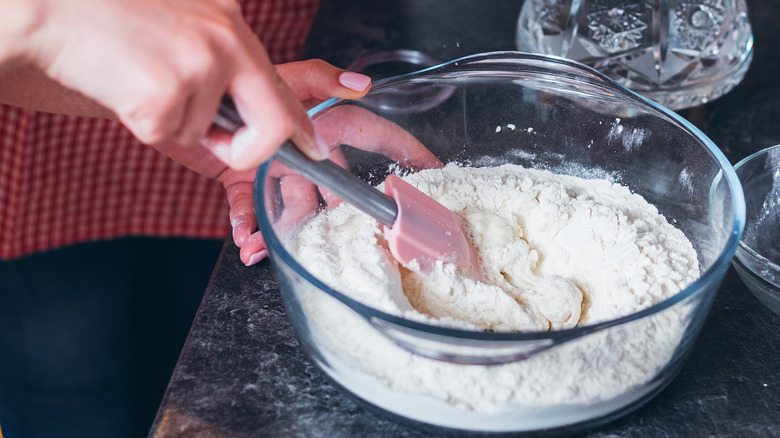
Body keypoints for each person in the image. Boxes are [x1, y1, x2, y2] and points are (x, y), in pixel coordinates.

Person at [0, 0, 373, 436]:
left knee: (191, 372)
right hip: (42, 171)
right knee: (73, 392)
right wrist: (57, 21)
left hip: (232, 121)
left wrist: (212, 96)